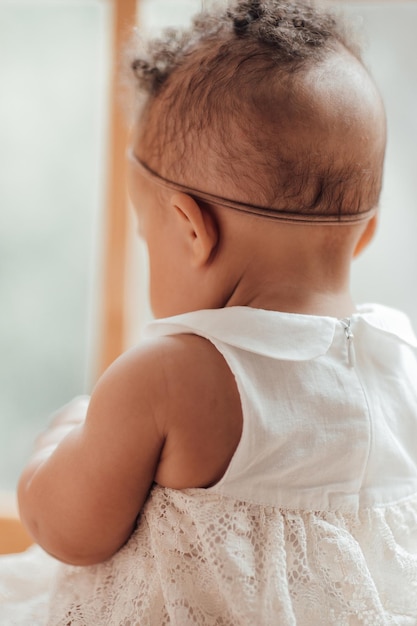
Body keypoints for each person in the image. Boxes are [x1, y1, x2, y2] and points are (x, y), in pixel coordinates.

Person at [1, 0, 417, 623]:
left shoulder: (172, 374)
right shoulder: (398, 356)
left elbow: (69, 530)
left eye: (146, 238)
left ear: (191, 230)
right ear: (366, 232)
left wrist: (61, 442)